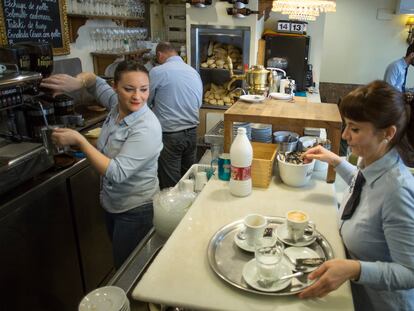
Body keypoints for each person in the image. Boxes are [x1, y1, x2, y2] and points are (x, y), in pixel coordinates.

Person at [298, 80, 414, 310]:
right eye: (346, 125)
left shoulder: (397, 192)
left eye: (355, 129)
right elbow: (365, 186)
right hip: (355, 294)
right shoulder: (372, 161)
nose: (344, 136)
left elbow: (410, 272)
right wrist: (335, 160)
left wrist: (355, 268)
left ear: (388, 133)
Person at [40, 61, 163, 269]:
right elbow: (93, 81)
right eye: (128, 89)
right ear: (115, 87)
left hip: (136, 210)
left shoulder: (147, 127)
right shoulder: (116, 105)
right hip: (112, 203)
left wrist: (80, 141)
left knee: (129, 269)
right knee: (124, 261)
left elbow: (116, 172)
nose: (137, 97)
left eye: (144, 89)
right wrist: (77, 82)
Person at [148, 41, 203, 189]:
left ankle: (174, 212)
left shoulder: (157, 72)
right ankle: (190, 211)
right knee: (189, 180)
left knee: (171, 186)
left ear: (160, 55)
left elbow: (145, 101)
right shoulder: (193, 71)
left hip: (170, 135)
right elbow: (198, 103)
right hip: (192, 132)